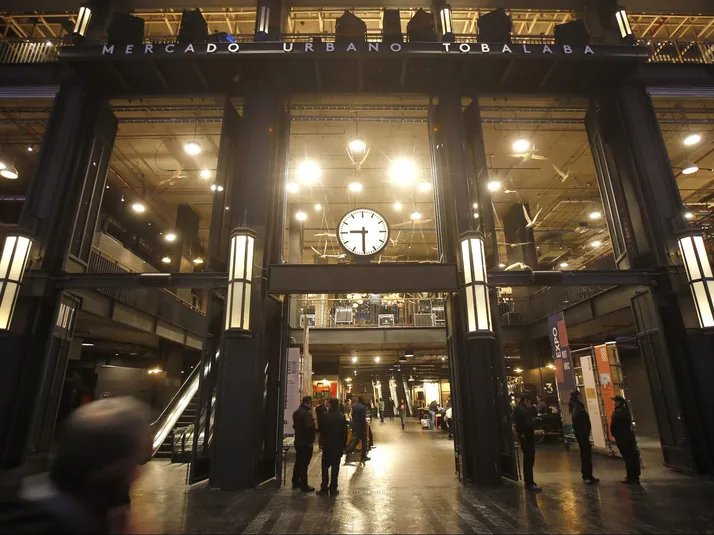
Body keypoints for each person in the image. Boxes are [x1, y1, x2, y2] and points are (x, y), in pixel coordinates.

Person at [0, 397, 152, 534]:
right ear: (111, 468)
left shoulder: (20, 489)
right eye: (133, 464)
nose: (136, 474)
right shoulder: (59, 525)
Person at [317, 398, 348, 496]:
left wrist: (322, 442)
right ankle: (333, 488)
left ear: (330, 404)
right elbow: (344, 433)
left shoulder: (324, 416)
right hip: (337, 446)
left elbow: (321, 429)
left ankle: (324, 487)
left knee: (325, 467)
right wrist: (344, 445)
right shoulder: (341, 417)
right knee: (335, 467)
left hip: (327, 445)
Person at [569, 390, 599, 485]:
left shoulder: (577, 406)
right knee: (585, 455)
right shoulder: (577, 406)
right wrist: (581, 427)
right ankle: (586, 475)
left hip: (583, 433)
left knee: (586, 454)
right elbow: (575, 417)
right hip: (582, 434)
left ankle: (589, 475)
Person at [610, 395, 641, 485]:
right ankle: (635, 476)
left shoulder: (617, 413)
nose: (613, 403)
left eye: (614, 401)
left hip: (621, 438)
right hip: (629, 436)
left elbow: (613, 426)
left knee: (628, 458)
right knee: (632, 456)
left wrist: (614, 435)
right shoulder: (626, 411)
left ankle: (630, 477)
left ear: (618, 403)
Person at [513, 393, 541, 491]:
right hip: (527, 437)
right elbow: (528, 424)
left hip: (524, 437)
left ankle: (528, 481)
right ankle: (529, 482)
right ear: (526, 400)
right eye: (529, 401)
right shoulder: (524, 411)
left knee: (527, 459)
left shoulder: (518, 409)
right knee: (529, 459)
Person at [292, 396, 316, 492]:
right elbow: (309, 429)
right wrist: (310, 441)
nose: (312, 405)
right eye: (311, 403)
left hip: (298, 441)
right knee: (304, 464)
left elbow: (295, 426)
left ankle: (295, 481)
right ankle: (304, 485)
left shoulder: (296, 413)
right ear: (307, 402)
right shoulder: (307, 414)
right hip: (305, 443)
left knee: (298, 461)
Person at [345, 396, 370, 463]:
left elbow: (352, 415)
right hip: (361, 427)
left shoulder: (353, 406)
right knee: (364, 442)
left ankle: (348, 450)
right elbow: (362, 419)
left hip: (355, 426)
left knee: (356, 440)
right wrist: (364, 426)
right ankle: (363, 456)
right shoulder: (363, 407)